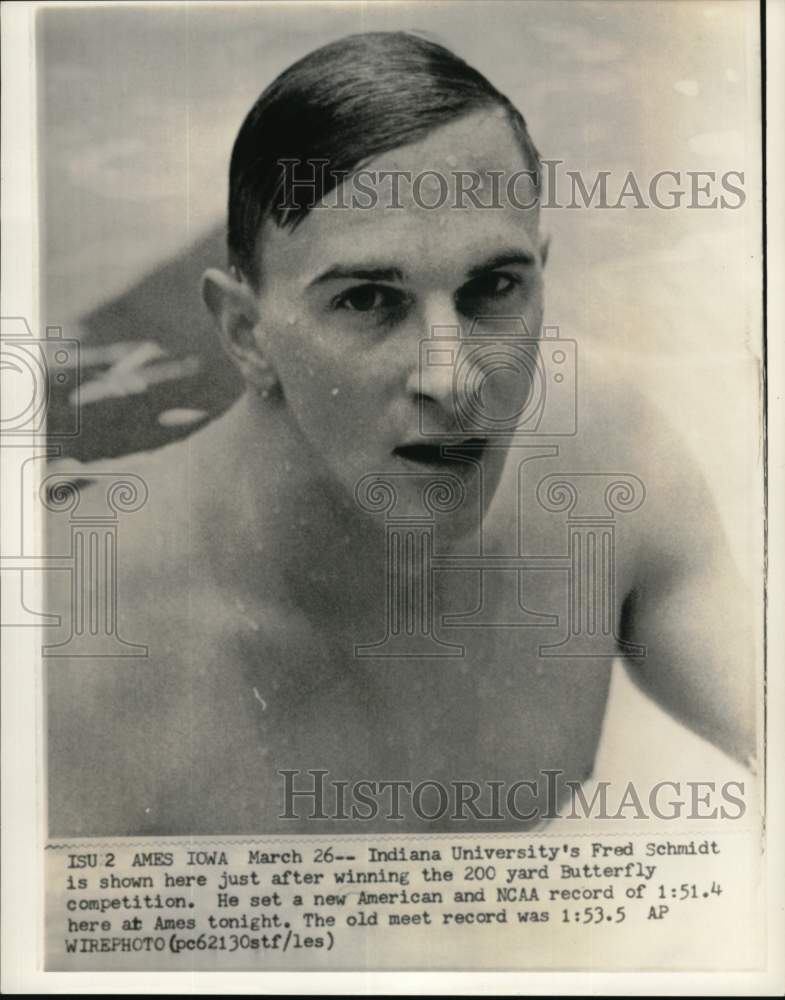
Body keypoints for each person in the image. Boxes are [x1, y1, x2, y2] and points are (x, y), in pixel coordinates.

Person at [46, 31, 756, 836]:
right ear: (245, 335)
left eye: (493, 286)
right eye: (367, 300)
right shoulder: (76, 654)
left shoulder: (609, 463)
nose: (452, 379)